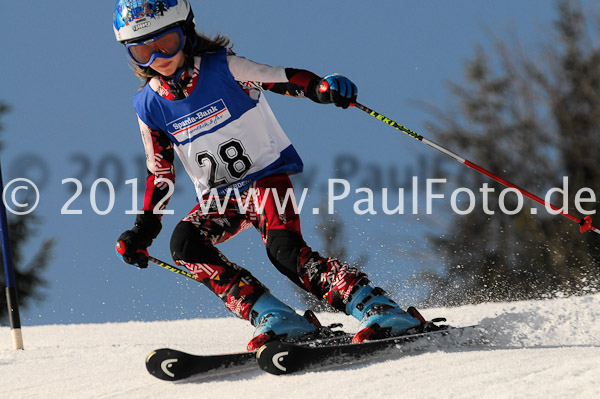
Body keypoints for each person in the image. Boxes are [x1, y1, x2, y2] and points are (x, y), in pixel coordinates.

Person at [113, 0, 422, 349]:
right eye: (143, 52)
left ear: (185, 32)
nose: (158, 59)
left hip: (265, 181)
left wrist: (320, 88)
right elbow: (160, 172)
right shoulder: (149, 105)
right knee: (185, 244)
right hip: (221, 198)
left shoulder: (222, 69)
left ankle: (377, 306)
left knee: (284, 252)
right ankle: (276, 316)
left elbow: (283, 78)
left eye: (165, 44)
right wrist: (144, 229)